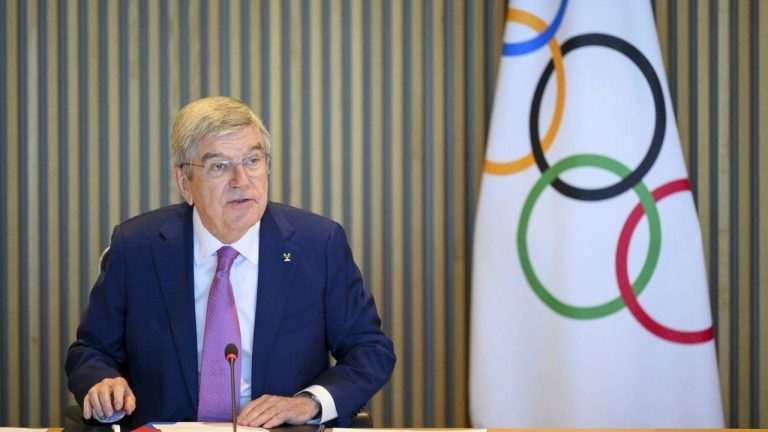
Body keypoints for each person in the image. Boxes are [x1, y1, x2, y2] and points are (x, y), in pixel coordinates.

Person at [65, 96, 396, 428]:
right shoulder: (137, 246)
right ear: (185, 183)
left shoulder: (318, 245)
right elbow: (91, 351)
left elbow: (370, 349)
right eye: (219, 166)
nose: (241, 180)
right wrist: (101, 383)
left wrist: (308, 402)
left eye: (252, 160)